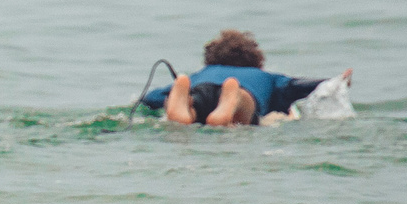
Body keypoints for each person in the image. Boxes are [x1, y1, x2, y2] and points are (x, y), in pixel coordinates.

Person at [149, 29, 350, 127]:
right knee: (245, 104)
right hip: (244, 93)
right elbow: (302, 86)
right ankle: (234, 98)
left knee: (189, 102)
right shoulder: (267, 78)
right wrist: (336, 81)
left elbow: (150, 99)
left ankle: (185, 104)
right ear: (256, 61)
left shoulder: (199, 75)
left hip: (202, 88)